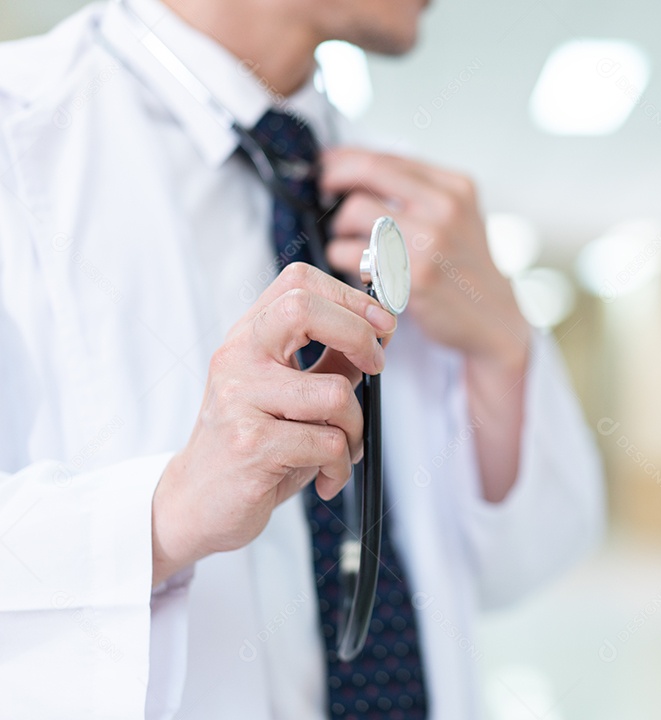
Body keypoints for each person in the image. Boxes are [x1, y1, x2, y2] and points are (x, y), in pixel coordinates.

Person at [0, 0, 605, 716]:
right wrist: (164, 512)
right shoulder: (22, 131)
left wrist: (503, 344)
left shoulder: (414, 204)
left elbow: (520, 561)